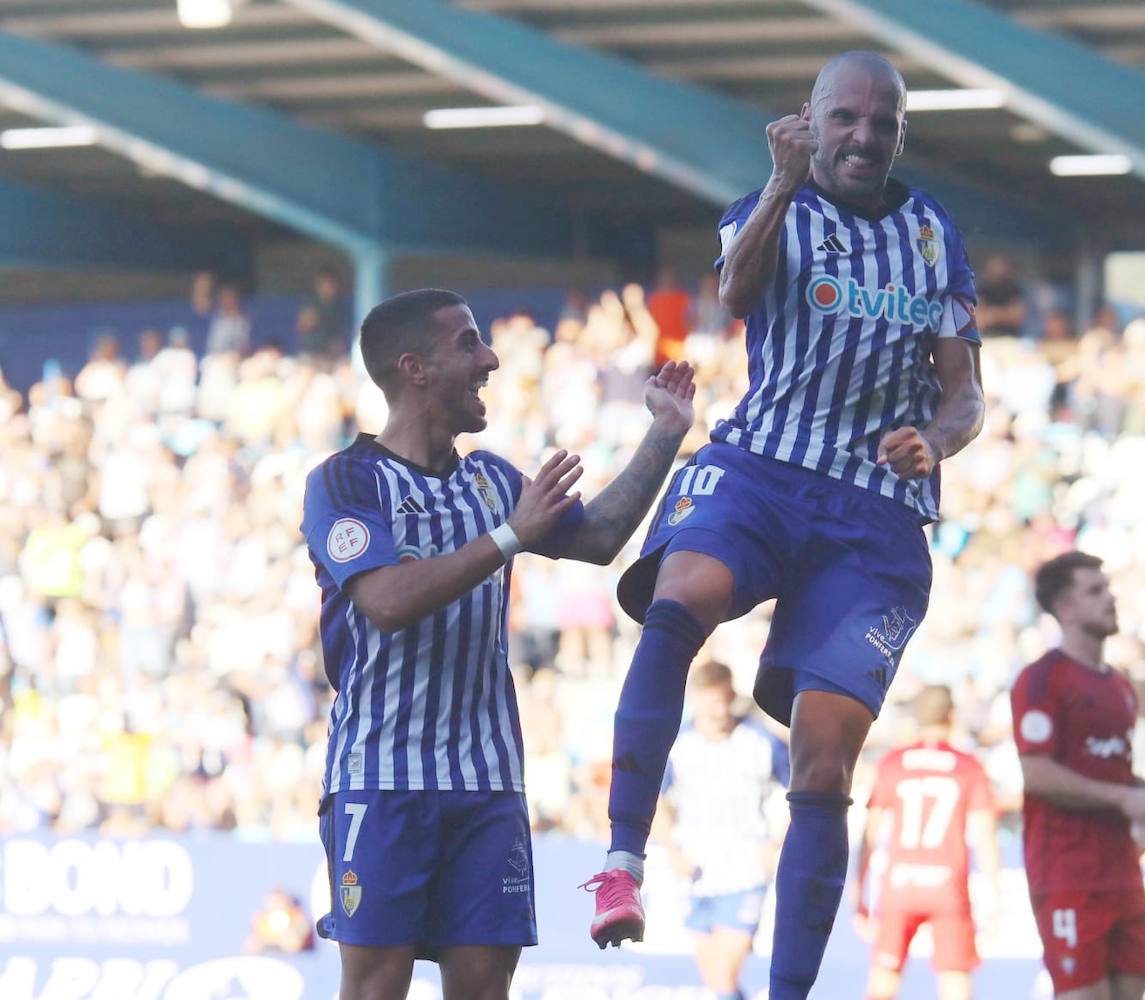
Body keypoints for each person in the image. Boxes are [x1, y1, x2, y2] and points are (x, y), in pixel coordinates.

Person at [583, 50, 986, 999]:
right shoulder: (769, 206)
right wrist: (779, 182)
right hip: (764, 468)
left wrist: (934, 438)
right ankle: (622, 862)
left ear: (901, 133)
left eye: (881, 124)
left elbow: (967, 396)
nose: (862, 138)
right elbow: (735, 295)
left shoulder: (933, 236)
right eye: (844, 118)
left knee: (825, 750)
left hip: (877, 514)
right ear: (807, 120)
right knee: (680, 598)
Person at [300, 288, 696, 1000]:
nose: (490, 358)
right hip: (381, 782)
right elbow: (385, 601)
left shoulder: (489, 478)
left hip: (489, 786)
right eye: (468, 344)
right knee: (373, 990)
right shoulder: (346, 480)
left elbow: (600, 538)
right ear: (414, 368)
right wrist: (511, 535)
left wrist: (665, 434)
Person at [1011, 551, 1145, 1000]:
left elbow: (1116, 775)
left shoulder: (1120, 687)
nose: (1111, 598)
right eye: (1095, 591)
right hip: (1067, 872)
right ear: (1064, 608)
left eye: (1109, 588)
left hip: (1122, 869)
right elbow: (1037, 774)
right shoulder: (1041, 679)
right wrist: (1124, 800)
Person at [855, 684, 1000, 1000]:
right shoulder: (969, 766)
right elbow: (985, 837)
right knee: (955, 982)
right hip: (947, 886)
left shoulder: (892, 763)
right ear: (951, 717)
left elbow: (871, 834)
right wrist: (995, 897)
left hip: (899, 886)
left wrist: (859, 894)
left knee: (883, 981)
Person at [656, 661, 789, 1000]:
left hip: (744, 870)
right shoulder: (678, 744)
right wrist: (672, 851)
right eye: (708, 702)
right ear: (695, 699)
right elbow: (656, 800)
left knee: (725, 974)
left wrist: (776, 844)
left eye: (721, 701)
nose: (716, 711)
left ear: (731, 696)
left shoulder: (760, 741)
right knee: (716, 981)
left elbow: (800, 792)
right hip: (696, 870)